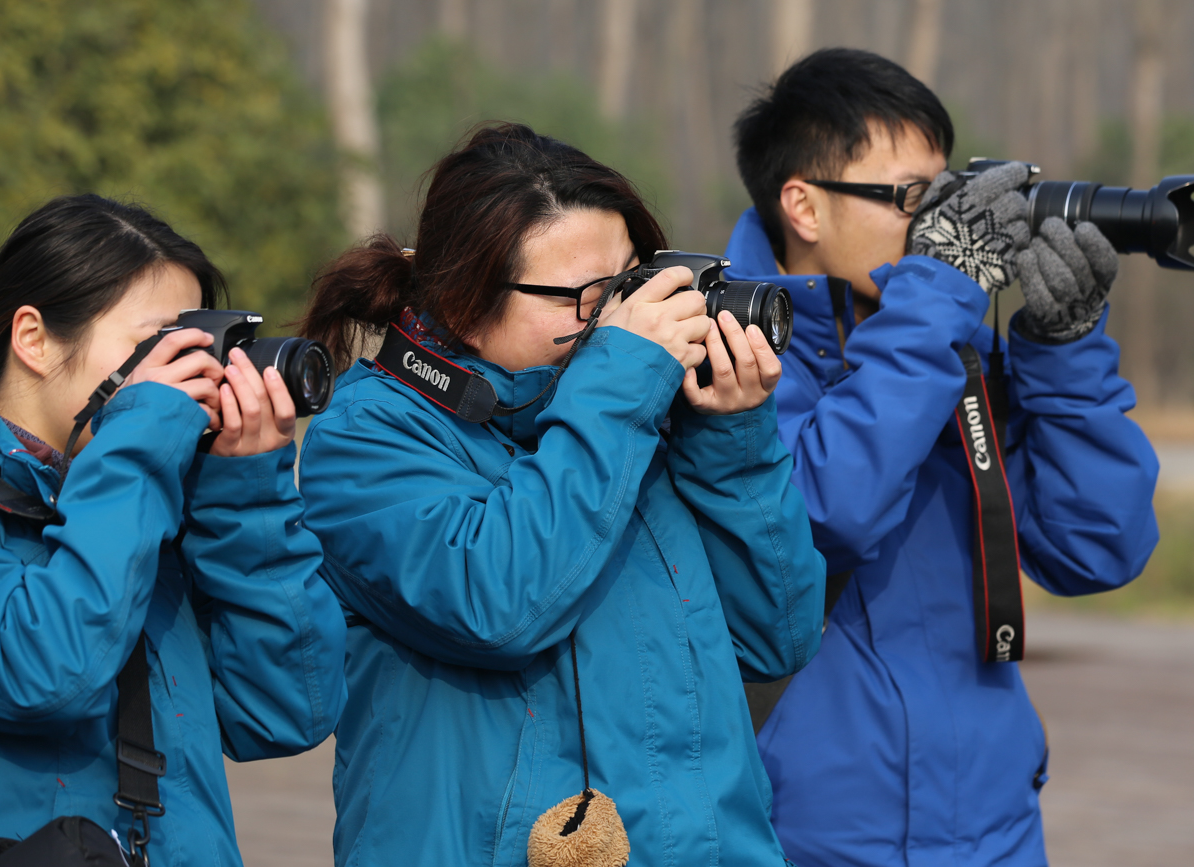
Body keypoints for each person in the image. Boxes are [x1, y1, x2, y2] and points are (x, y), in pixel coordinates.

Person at [296, 123, 825, 866]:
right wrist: (618, 389)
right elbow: (501, 605)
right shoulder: (366, 441)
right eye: (585, 296)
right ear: (464, 297)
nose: (615, 318)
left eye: (631, 282)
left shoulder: (637, 409)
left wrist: (730, 442)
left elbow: (779, 637)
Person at [724, 49, 1160, 866]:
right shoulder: (726, 352)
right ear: (804, 206)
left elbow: (1098, 548)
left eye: (946, 195)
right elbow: (823, 517)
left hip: (992, 832)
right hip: (803, 838)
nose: (940, 228)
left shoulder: (945, 343)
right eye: (910, 199)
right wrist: (937, 297)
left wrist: (1062, 350)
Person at [0, 195, 346, 866]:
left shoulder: (135, 501)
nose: (189, 373)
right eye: (158, 343)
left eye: (198, 344)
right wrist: (142, 438)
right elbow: (45, 669)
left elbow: (285, 711)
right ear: (33, 338)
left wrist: (246, 493)